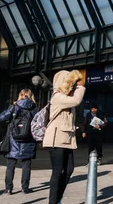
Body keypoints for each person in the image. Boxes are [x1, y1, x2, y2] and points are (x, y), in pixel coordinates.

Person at [43, 70, 85, 204]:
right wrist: (80, 86)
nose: (73, 86)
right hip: (56, 138)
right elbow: (76, 100)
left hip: (66, 138)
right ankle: (53, 201)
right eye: (70, 83)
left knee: (69, 169)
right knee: (57, 171)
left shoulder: (66, 98)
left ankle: (57, 199)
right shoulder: (57, 97)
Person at [0, 89, 38, 194]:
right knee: (26, 165)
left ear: (20, 95)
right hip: (28, 140)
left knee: (11, 165)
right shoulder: (34, 108)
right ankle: (25, 188)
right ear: (31, 96)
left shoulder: (14, 107)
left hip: (13, 140)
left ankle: (8, 188)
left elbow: (2, 117)